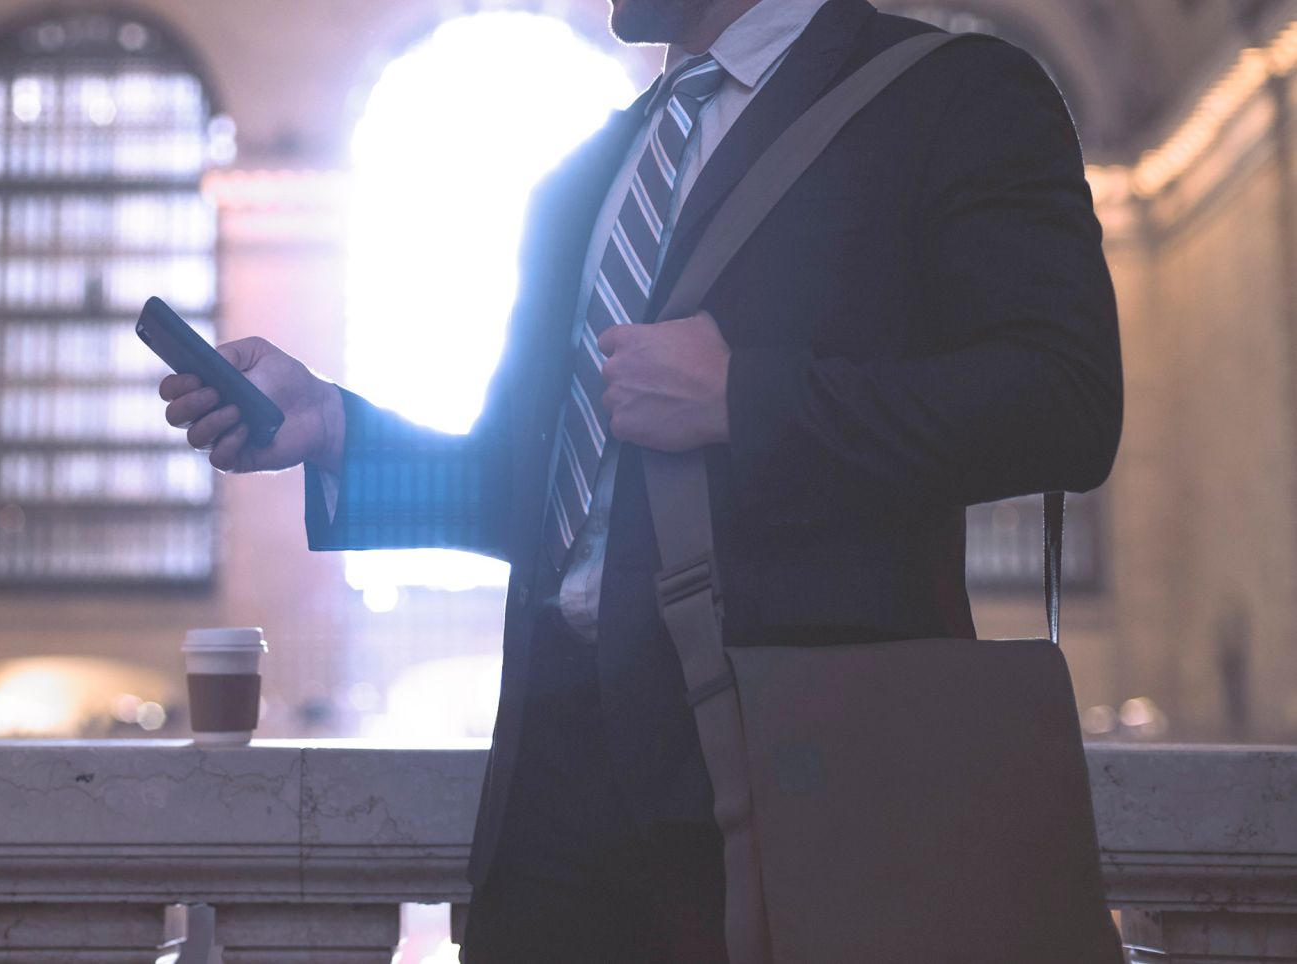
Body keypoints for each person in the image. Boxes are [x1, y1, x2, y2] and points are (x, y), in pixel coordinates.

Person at [157, 0, 1122, 959]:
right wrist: (335, 428)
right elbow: (544, 495)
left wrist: (747, 399)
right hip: (555, 796)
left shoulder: (956, 94)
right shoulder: (585, 176)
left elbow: (1065, 401)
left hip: (806, 788)